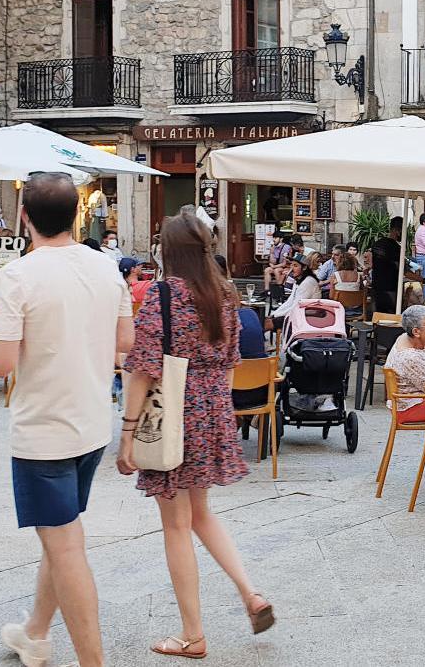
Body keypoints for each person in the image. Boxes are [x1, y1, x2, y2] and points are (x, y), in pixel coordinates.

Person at [0, 173, 134, 667]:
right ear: (76, 216)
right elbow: (126, 341)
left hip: (43, 431)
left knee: (67, 547)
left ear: (24, 216)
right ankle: (35, 634)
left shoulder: (18, 275)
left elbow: (0, 365)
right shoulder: (108, 269)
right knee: (62, 534)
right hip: (91, 424)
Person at [119, 213, 273, 661]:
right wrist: (218, 415)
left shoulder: (162, 295)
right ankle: (250, 593)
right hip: (212, 409)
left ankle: (192, 635)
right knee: (202, 514)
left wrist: (128, 435)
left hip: (173, 412)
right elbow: (230, 359)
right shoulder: (226, 294)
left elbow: (143, 370)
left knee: (176, 525)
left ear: (169, 252)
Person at [372, 217, 404, 313]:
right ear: (397, 231)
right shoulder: (396, 248)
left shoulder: (377, 244)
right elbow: (403, 269)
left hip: (377, 286)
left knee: (379, 316)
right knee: (391, 317)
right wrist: (423, 280)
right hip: (391, 288)